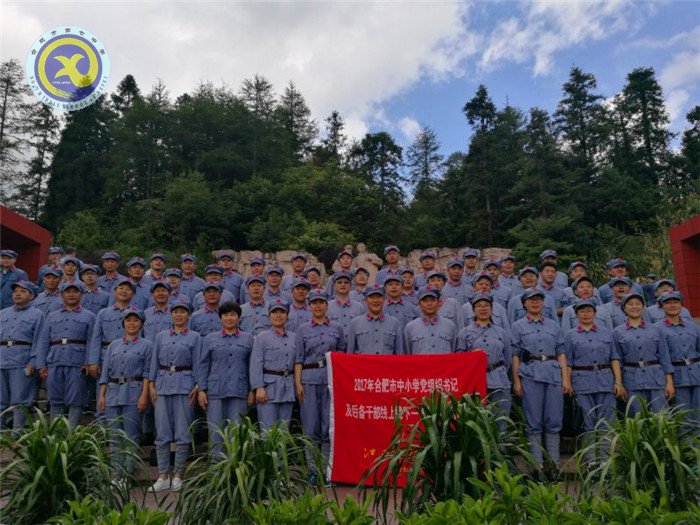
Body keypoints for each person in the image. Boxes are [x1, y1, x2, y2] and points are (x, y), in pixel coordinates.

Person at [510, 288, 570, 479]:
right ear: (525, 304)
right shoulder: (518, 326)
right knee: (533, 422)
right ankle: (536, 467)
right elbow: (515, 355)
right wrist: (517, 381)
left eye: (538, 300)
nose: (535, 303)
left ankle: (553, 467)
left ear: (543, 303)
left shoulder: (553, 325)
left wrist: (565, 378)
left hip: (553, 374)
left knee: (554, 422)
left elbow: (561, 352)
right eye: (531, 300)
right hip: (530, 375)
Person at [294, 289, 346, 486]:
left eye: (321, 302)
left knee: (328, 427)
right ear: (309, 306)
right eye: (314, 302)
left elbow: (341, 355)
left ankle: (327, 469)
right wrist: (298, 383)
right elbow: (298, 358)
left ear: (327, 305)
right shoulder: (303, 329)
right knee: (310, 426)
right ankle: (313, 470)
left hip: (331, 380)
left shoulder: (337, 328)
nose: (318, 306)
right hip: (308, 379)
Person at [563, 299, 625, 462]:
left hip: (605, 381)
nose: (585, 314)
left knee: (606, 423)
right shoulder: (570, 335)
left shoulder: (606, 332)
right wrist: (568, 383)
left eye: (589, 310)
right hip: (582, 382)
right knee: (588, 423)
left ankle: (605, 461)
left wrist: (618, 382)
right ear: (576, 315)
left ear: (595, 313)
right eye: (582, 311)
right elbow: (568, 361)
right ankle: (591, 462)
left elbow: (614, 358)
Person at [148, 300, 201, 493]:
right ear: (171, 315)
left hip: (184, 385)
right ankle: (163, 475)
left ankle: (178, 474)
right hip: (162, 385)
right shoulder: (161, 336)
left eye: (183, 312)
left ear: (188, 316)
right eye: (176, 312)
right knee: (162, 432)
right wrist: (151, 384)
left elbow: (198, 363)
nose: (179, 315)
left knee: (182, 432)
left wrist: (198, 385)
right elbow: (154, 361)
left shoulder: (195, 337)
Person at [98, 309, 152, 477]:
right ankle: (116, 473)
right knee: (114, 435)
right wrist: (101, 395)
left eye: (135, 320)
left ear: (141, 324)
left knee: (130, 435)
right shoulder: (113, 345)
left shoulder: (147, 345)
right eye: (128, 320)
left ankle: (127, 473)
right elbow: (105, 372)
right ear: (123, 323)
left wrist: (144, 395)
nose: (131, 323)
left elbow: (146, 373)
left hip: (133, 391)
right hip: (113, 392)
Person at [198, 301, 254, 455]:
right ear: (220, 318)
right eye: (225, 315)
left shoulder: (248, 339)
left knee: (236, 433)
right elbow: (203, 365)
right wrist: (202, 389)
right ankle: (217, 473)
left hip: (239, 390)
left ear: (239, 318)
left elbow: (252, 366)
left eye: (233, 315)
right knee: (215, 432)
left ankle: (234, 473)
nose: (229, 318)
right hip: (215, 391)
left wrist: (252, 390)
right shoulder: (210, 339)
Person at [37, 281, 96, 428]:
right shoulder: (51, 316)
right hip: (55, 360)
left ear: (81, 294)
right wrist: (41, 364)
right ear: (61, 294)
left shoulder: (89, 316)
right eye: (68, 292)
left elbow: (91, 341)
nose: (71, 294)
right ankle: (55, 431)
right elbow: (44, 341)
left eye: (75, 292)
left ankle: (72, 432)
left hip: (77, 362)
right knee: (55, 398)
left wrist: (89, 362)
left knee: (76, 399)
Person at [613, 292, 674, 415]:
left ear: (643, 307)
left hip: (656, 379)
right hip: (631, 379)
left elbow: (665, 358)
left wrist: (670, 383)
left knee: (661, 416)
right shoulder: (617, 332)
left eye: (638, 304)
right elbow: (617, 360)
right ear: (624, 308)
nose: (634, 307)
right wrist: (619, 383)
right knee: (637, 417)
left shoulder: (656, 329)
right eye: (630, 304)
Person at [457, 292, 511, 427]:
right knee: (478, 422)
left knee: (500, 421)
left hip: (499, 380)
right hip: (475, 382)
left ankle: (500, 449)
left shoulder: (502, 332)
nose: (483, 308)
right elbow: (459, 360)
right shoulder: (464, 333)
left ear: (492, 309)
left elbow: (508, 359)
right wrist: (472, 356)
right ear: (473, 310)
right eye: (479, 306)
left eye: (486, 305)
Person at [0, 280, 47, 429]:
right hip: (2, 358)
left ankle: (17, 431)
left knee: (20, 399)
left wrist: (34, 360)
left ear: (32, 295)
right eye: (15, 291)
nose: (18, 294)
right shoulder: (3, 313)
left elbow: (40, 339)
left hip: (22, 360)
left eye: (22, 291)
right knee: (0, 398)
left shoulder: (38, 314)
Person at [250, 300, 296, 432]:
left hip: (288, 388)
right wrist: (258, 387)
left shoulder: (293, 337)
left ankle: (281, 454)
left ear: (287, 316)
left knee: (284, 431)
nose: (278, 315)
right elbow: (256, 363)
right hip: (268, 388)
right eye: (274, 312)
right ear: (269, 316)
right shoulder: (262, 337)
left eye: (282, 312)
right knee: (267, 432)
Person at [655, 290, 700, 423]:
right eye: (668, 303)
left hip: (697, 374)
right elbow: (662, 357)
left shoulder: (693, 327)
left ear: (681, 305)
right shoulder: (657, 329)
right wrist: (668, 381)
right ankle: (685, 443)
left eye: (676, 302)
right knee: (683, 417)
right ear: (662, 306)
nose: (672, 305)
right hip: (677, 376)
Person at [347, 284, 403, 355]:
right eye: (371, 297)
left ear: (384, 299)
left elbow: (399, 353)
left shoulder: (395, 323)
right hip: (363, 366)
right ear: (365, 300)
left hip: (386, 365)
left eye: (379, 297)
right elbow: (350, 354)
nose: (376, 300)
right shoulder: (355, 323)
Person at [404, 287, 457, 354]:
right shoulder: (410, 327)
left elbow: (454, 352)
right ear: (419, 305)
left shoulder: (450, 325)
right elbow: (407, 354)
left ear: (438, 303)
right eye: (425, 301)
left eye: (432, 300)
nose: (429, 304)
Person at [326, 270, 366, 341]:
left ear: (350, 286)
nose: (343, 285)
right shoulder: (327, 306)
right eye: (339, 282)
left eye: (346, 282)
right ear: (334, 286)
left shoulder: (359, 307)